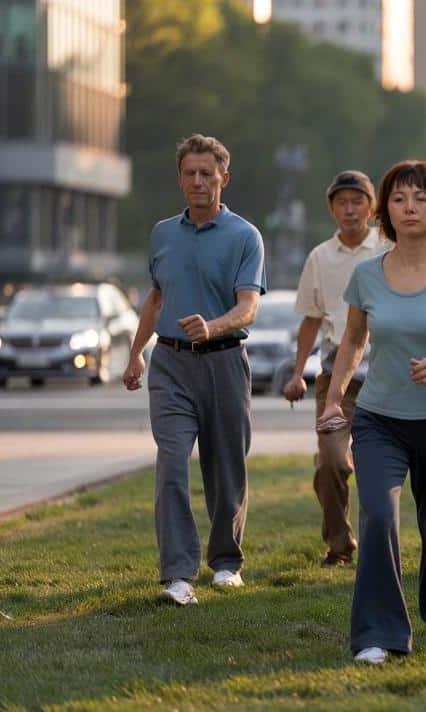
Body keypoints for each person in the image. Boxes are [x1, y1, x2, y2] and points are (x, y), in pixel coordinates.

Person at [317, 159, 426, 665]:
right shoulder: (367, 274)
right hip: (378, 418)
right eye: (398, 198)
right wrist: (332, 399)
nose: (409, 207)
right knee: (377, 518)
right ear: (385, 210)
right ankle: (377, 632)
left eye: (420, 197)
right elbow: (352, 340)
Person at [123, 134, 267, 606]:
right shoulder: (163, 233)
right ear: (180, 178)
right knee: (170, 465)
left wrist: (213, 326)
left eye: (208, 173)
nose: (199, 181)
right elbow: (157, 297)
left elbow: (248, 308)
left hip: (224, 362)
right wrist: (135, 353)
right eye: (191, 173)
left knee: (226, 469)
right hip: (169, 365)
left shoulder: (246, 236)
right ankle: (179, 575)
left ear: (224, 177)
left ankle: (226, 562)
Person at [284, 170, 385, 567]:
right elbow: (311, 319)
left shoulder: (387, 249)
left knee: (380, 467)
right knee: (331, 462)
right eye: (341, 202)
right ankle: (340, 545)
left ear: (370, 207)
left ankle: (380, 546)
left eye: (356, 201)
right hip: (334, 380)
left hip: (383, 375)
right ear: (331, 208)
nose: (349, 209)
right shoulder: (319, 257)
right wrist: (296, 374)